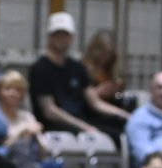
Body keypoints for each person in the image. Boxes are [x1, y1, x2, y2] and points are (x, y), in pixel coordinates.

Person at [28, 12, 129, 144]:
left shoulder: (77, 67)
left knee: (121, 128)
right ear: (49, 36)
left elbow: (95, 102)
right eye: (57, 34)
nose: (61, 38)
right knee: (98, 135)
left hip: (81, 120)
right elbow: (49, 111)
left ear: (71, 37)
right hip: (57, 124)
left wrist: (125, 115)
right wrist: (84, 127)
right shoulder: (40, 68)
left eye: (65, 34)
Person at [0, 70, 45, 168]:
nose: (13, 93)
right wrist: (21, 133)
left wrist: (37, 136)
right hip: (1, 164)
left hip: (29, 166)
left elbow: (42, 154)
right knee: (21, 146)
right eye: (8, 88)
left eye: (18, 89)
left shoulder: (28, 117)